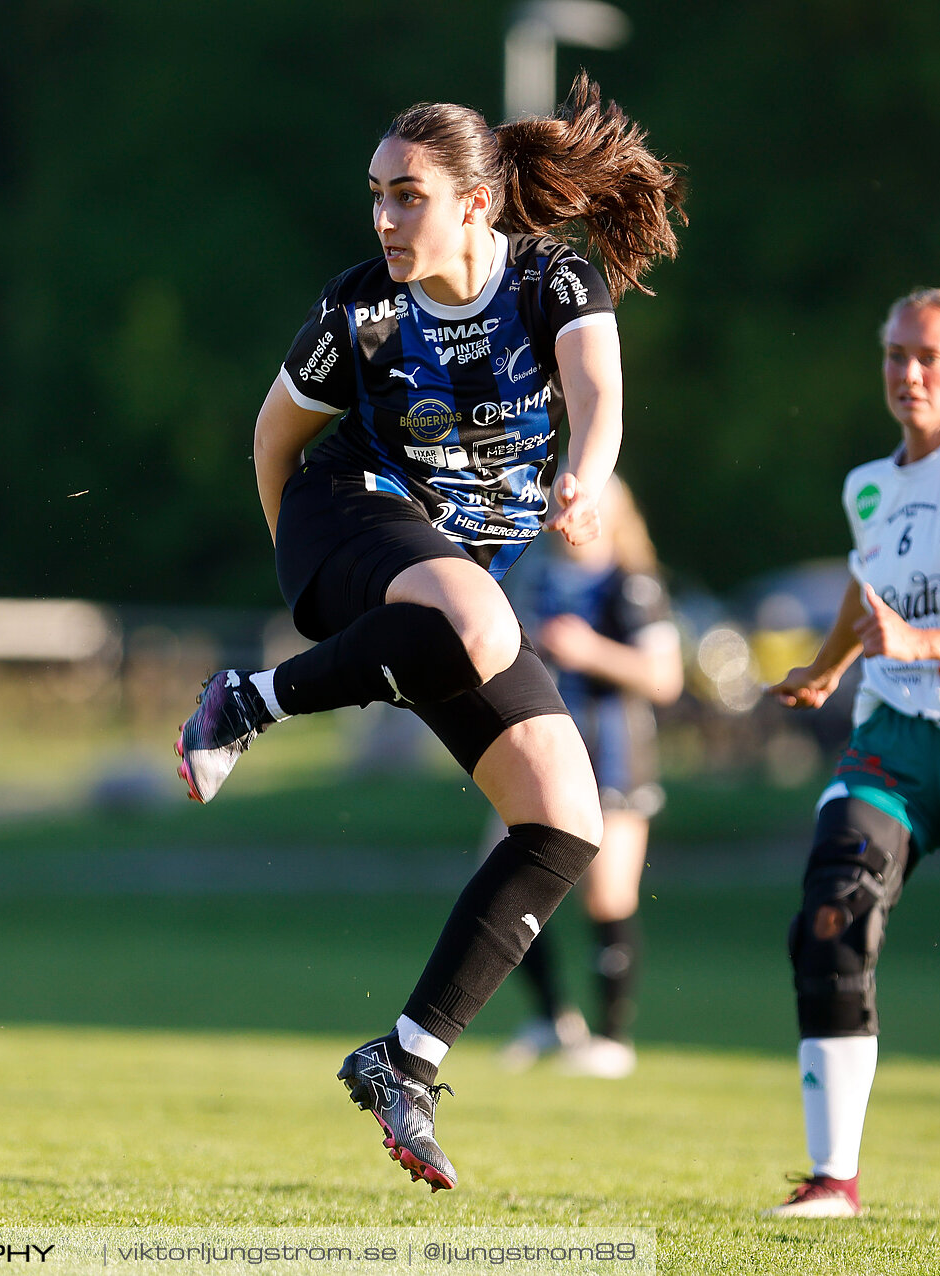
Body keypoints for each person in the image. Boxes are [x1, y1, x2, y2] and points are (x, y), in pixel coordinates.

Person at [175, 74, 683, 1190]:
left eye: (408, 195)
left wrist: (587, 482)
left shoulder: (553, 276)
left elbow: (599, 388)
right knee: (474, 616)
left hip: (457, 601)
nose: (386, 219)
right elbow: (270, 442)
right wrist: (307, 575)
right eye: (376, 195)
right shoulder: (359, 308)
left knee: (568, 820)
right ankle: (247, 701)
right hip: (343, 525)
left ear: (477, 204)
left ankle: (406, 1058)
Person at [764, 287, 940, 1219]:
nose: (908, 373)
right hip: (893, 741)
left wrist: (925, 645)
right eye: (895, 354)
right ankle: (833, 1181)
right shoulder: (868, 486)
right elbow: (864, 584)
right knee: (831, 916)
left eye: (929, 357)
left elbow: (910, 627)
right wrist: (827, 667)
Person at [495, 477, 683, 1079]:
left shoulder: (633, 585)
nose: (560, 510)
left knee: (608, 896)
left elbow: (665, 677)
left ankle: (612, 1039)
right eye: (555, 499)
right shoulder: (538, 576)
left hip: (615, 758)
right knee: (499, 882)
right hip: (541, 757)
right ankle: (554, 1020)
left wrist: (589, 651)